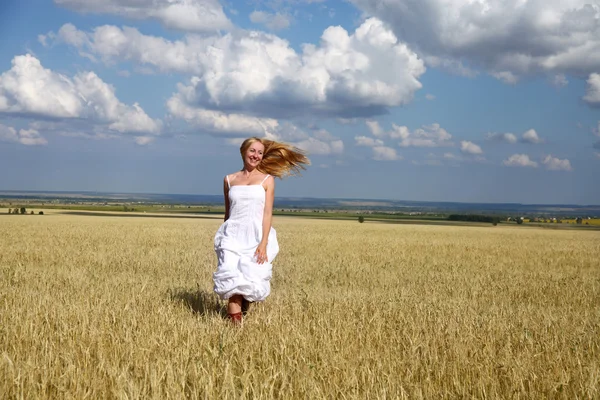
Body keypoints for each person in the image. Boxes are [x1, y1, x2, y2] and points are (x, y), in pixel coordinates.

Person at [213, 137, 310, 324]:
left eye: (259, 152)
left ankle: (243, 310)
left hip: (256, 237)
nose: (256, 155)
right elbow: (228, 213)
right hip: (232, 237)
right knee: (233, 286)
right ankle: (236, 333)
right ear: (243, 152)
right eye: (252, 151)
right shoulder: (229, 180)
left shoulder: (267, 180)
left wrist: (263, 243)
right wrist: (223, 240)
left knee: (248, 286)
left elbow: (267, 214)